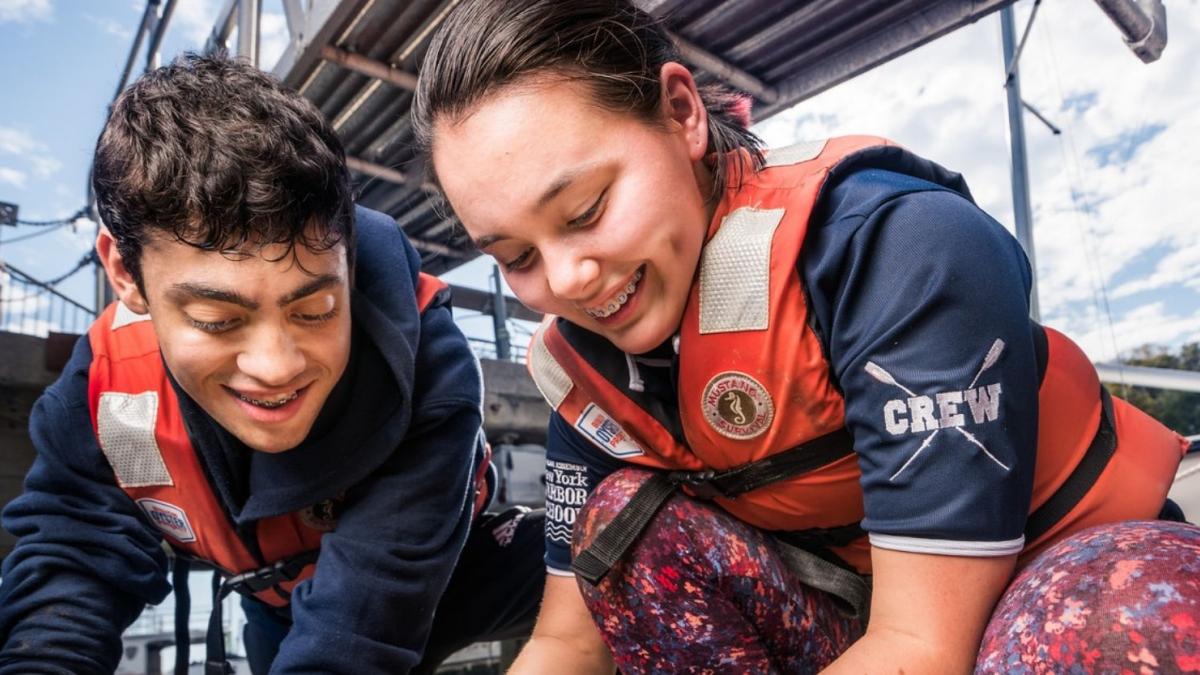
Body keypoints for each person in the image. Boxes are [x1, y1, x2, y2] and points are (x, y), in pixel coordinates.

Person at [410, 1, 1199, 672]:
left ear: (682, 113)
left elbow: (922, 644)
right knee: (627, 521)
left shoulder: (897, 250)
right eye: (515, 257)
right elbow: (562, 642)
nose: (570, 280)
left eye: (584, 211)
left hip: (1057, 575)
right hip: (865, 618)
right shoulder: (593, 382)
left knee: (1117, 612)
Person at [0, 53, 544, 675]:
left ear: (350, 261)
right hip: (276, 604)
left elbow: (357, 628)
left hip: (451, 574)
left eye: (315, 309)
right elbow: (77, 546)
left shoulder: (426, 363)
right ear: (126, 275)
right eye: (217, 319)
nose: (276, 367)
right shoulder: (108, 394)